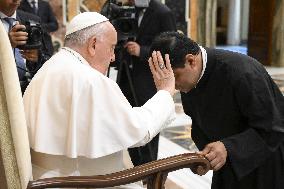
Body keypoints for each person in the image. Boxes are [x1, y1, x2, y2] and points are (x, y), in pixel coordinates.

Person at [23, 12, 176, 189]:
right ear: (93, 44)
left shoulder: (50, 67)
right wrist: (165, 93)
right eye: (112, 47)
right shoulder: (91, 80)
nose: (113, 57)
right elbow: (138, 130)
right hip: (86, 183)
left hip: (44, 180)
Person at [150, 31, 284, 189]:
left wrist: (228, 148)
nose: (173, 86)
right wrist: (206, 156)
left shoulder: (243, 73)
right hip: (228, 165)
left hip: (264, 165)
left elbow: (271, 128)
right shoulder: (190, 77)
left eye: (175, 78)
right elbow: (199, 122)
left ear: (191, 61)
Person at [121, 0, 177, 167]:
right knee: (130, 122)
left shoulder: (163, 13)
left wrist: (142, 51)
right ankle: (132, 166)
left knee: (149, 123)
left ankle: (148, 168)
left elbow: (171, 47)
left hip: (148, 79)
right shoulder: (131, 10)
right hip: (127, 77)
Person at [0, 0, 51, 93]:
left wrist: (37, 58)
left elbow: (48, 58)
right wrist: (7, 45)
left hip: (29, 90)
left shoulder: (33, 20)